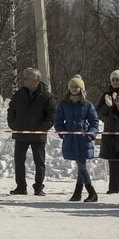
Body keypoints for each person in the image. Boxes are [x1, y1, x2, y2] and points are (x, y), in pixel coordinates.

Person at [7, 66, 55, 196]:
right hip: (20, 133)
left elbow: (51, 116)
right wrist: (13, 124)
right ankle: (21, 187)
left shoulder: (46, 96)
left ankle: (39, 187)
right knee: (19, 161)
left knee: (39, 162)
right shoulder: (19, 94)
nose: (24, 80)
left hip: (38, 135)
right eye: (24, 78)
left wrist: (41, 129)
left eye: (27, 78)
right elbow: (11, 110)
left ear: (35, 80)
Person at [56, 75, 100, 202]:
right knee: (81, 165)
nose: (74, 89)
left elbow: (94, 121)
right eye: (72, 87)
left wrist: (90, 133)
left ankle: (91, 192)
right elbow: (58, 120)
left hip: (83, 139)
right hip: (70, 138)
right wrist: (63, 132)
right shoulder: (63, 104)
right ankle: (78, 193)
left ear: (81, 89)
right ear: (69, 88)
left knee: (81, 165)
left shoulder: (87, 104)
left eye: (77, 87)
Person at [96, 70, 119, 194]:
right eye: (113, 80)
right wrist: (108, 107)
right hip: (110, 131)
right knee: (113, 161)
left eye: (117, 79)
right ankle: (113, 187)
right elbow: (98, 113)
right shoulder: (106, 95)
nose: (115, 82)